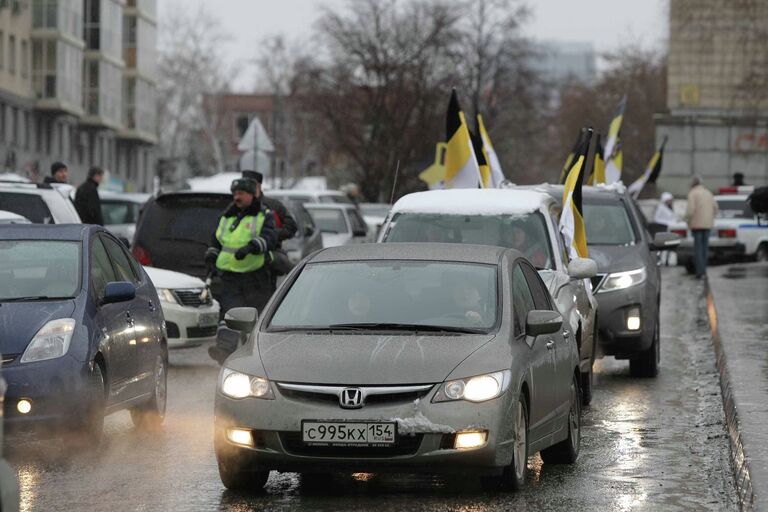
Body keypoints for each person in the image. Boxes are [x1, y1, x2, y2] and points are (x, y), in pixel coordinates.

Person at [241, 170, 298, 281]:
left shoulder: (273, 206)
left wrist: (270, 236)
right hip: (240, 262)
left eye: (251, 185)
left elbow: (291, 227)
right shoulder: (236, 207)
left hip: (266, 264)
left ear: (259, 186)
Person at [685, 176, 718, 279]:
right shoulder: (708, 193)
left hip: (696, 225)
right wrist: (710, 217)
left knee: (698, 249)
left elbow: (690, 211)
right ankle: (704, 270)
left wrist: (687, 220)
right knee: (705, 249)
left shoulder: (692, 193)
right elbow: (716, 207)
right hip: (708, 225)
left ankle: (699, 272)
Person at [654, 192, 679, 265]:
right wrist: (667, 223)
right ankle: (661, 260)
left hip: (671, 230)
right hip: (664, 230)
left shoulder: (669, 208)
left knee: (670, 246)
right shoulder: (661, 208)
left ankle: (667, 260)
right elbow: (656, 219)